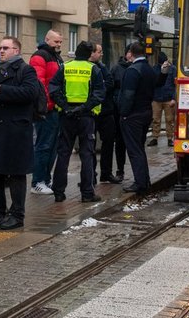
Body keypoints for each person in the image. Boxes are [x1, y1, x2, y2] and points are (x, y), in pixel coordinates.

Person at [0, 36, 40, 229]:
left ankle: (17, 214)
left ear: (16, 50)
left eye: (5, 47)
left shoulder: (26, 70)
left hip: (16, 130)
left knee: (16, 173)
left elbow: (31, 93)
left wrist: (3, 90)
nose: (1, 51)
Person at [48, 40, 105, 202]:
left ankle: (59, 192)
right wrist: (84, 108)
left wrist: (66, 107)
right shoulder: (93, 69)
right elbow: (99, 94)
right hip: (86, 117)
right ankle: (87, 193)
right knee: (87, 154)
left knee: (63, 153)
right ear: (89, 55)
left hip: (67, 116)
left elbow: (53, 89)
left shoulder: (65, 67)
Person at [117, 41, 165, 194]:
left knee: (134, 149)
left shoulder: (133, 70)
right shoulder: (149, 69)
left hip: (133, 115)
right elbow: (157, 84)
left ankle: (140, 183)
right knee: (140, 148)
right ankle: (145, 180)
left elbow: (128, 95)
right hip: (146, 112)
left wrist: (123, 113)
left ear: (131, 53)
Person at [29, 29, 63, 194]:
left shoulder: (55, 57)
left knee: (52, 147)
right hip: (46, 110)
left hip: (54, 108)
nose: (58, 44)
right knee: (44, 146)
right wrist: (46, 104)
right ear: (47, 39)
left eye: (60, 42)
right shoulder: (40, 56)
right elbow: (39, 83)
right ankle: (37, 181)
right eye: (56, 41)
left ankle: (45, 180)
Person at [91, 43, 120, 184]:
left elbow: (110, 83)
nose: (101, 54)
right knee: (89, 145)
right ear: (92, 53)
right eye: (99, 51)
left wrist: (99, 87)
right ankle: (90, 175)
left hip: (106, 111)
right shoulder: (87, 67)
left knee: (108, 143)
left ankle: (106, 173)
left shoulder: (103, 67)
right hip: (91, 112)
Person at [109, 49, 132, 180]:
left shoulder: (136, 68)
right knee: (120, 142)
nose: (130, 55)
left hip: (132, 111)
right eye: (129, 52)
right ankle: (120, 169)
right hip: (118, 109)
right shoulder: (116, 68)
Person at [148, 52, 177, 148]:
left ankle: (170, 138)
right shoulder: (154, 69)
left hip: (168, 98)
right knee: (156, 119)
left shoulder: (172, 69)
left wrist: (173, 98)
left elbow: (175, 84)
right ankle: (155, 137)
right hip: (156, 98)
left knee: (170, 120)